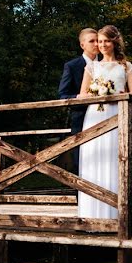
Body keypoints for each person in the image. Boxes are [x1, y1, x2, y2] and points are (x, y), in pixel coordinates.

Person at [76, 25, 132, 219]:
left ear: (114, 42)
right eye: (99, 41)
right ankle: (93, 213)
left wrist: (118, 94)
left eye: (106, 41)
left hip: (117, 115)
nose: (102, 45)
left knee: (117, 158)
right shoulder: (92, 67)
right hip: (95, 115)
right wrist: (98, 91)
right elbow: (81, 95)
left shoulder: (126, 66)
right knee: (95, 160)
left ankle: (119, 212)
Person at [58, 28, 99, 168]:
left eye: (97, 40)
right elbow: (62, 95)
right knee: (82, 162)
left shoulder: (108, 64)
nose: (96, 44)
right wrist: (79, 97)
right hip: (81, 120)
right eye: (91, 41)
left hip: (107, 118)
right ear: (82, 45)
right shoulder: (72, 66)